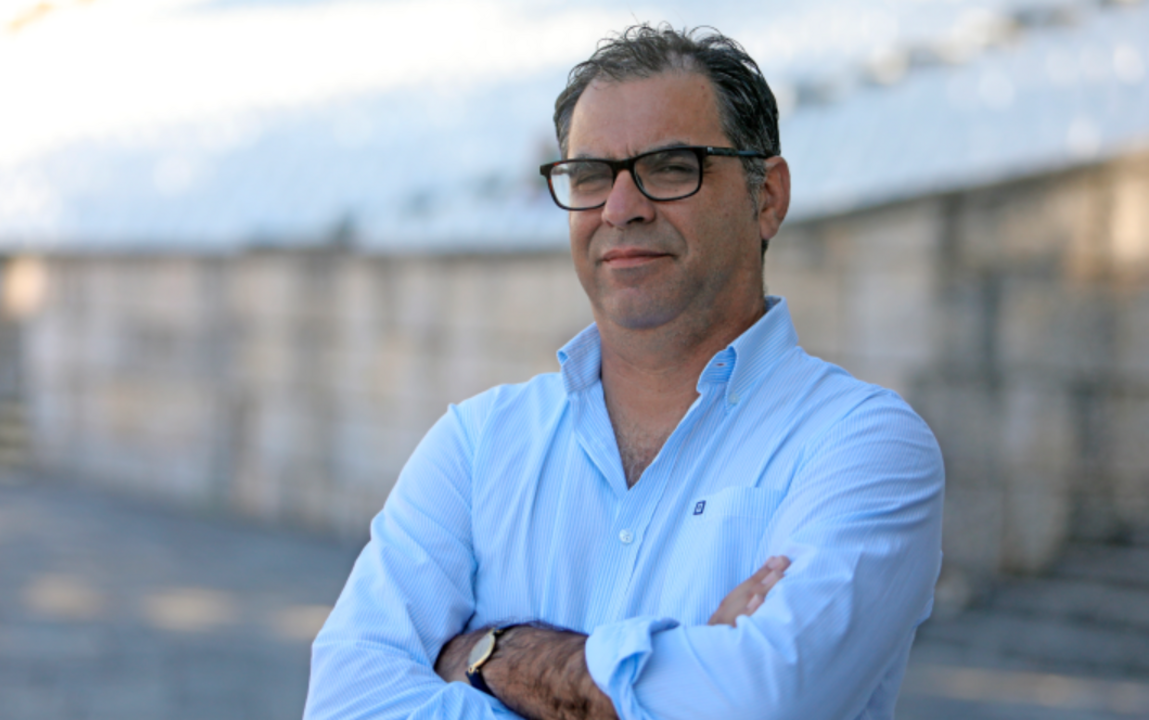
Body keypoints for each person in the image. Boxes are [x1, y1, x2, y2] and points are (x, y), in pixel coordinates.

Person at [304, 24, 943, 720]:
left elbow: (762, 702)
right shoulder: (478, 442)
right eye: (590, 176)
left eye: (672, 166)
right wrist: (680, 675)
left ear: (767, 197)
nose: (620, 208)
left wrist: (496, 657)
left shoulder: (864, 445)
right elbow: (346, 704)